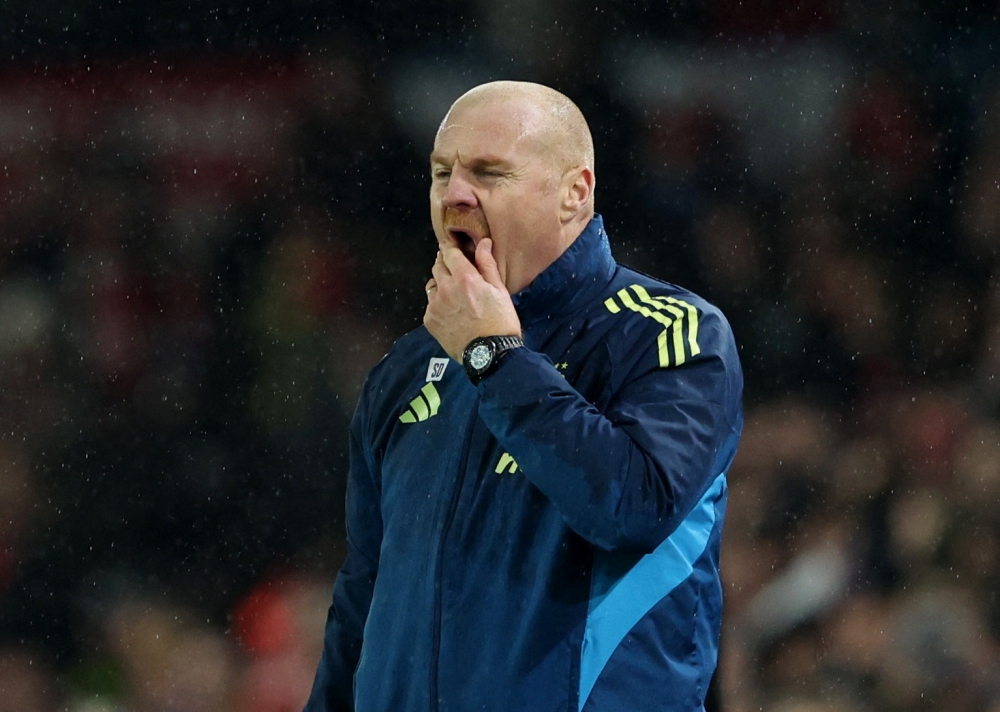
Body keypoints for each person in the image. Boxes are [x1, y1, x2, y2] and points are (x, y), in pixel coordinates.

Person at [304, 80, 744, 712]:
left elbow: (634, 506)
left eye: (489, 172)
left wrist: (494, 359)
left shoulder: (666, 332)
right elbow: (363, 597)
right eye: (441, 172)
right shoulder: (407, 370)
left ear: (575, 192)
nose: (455, 193)